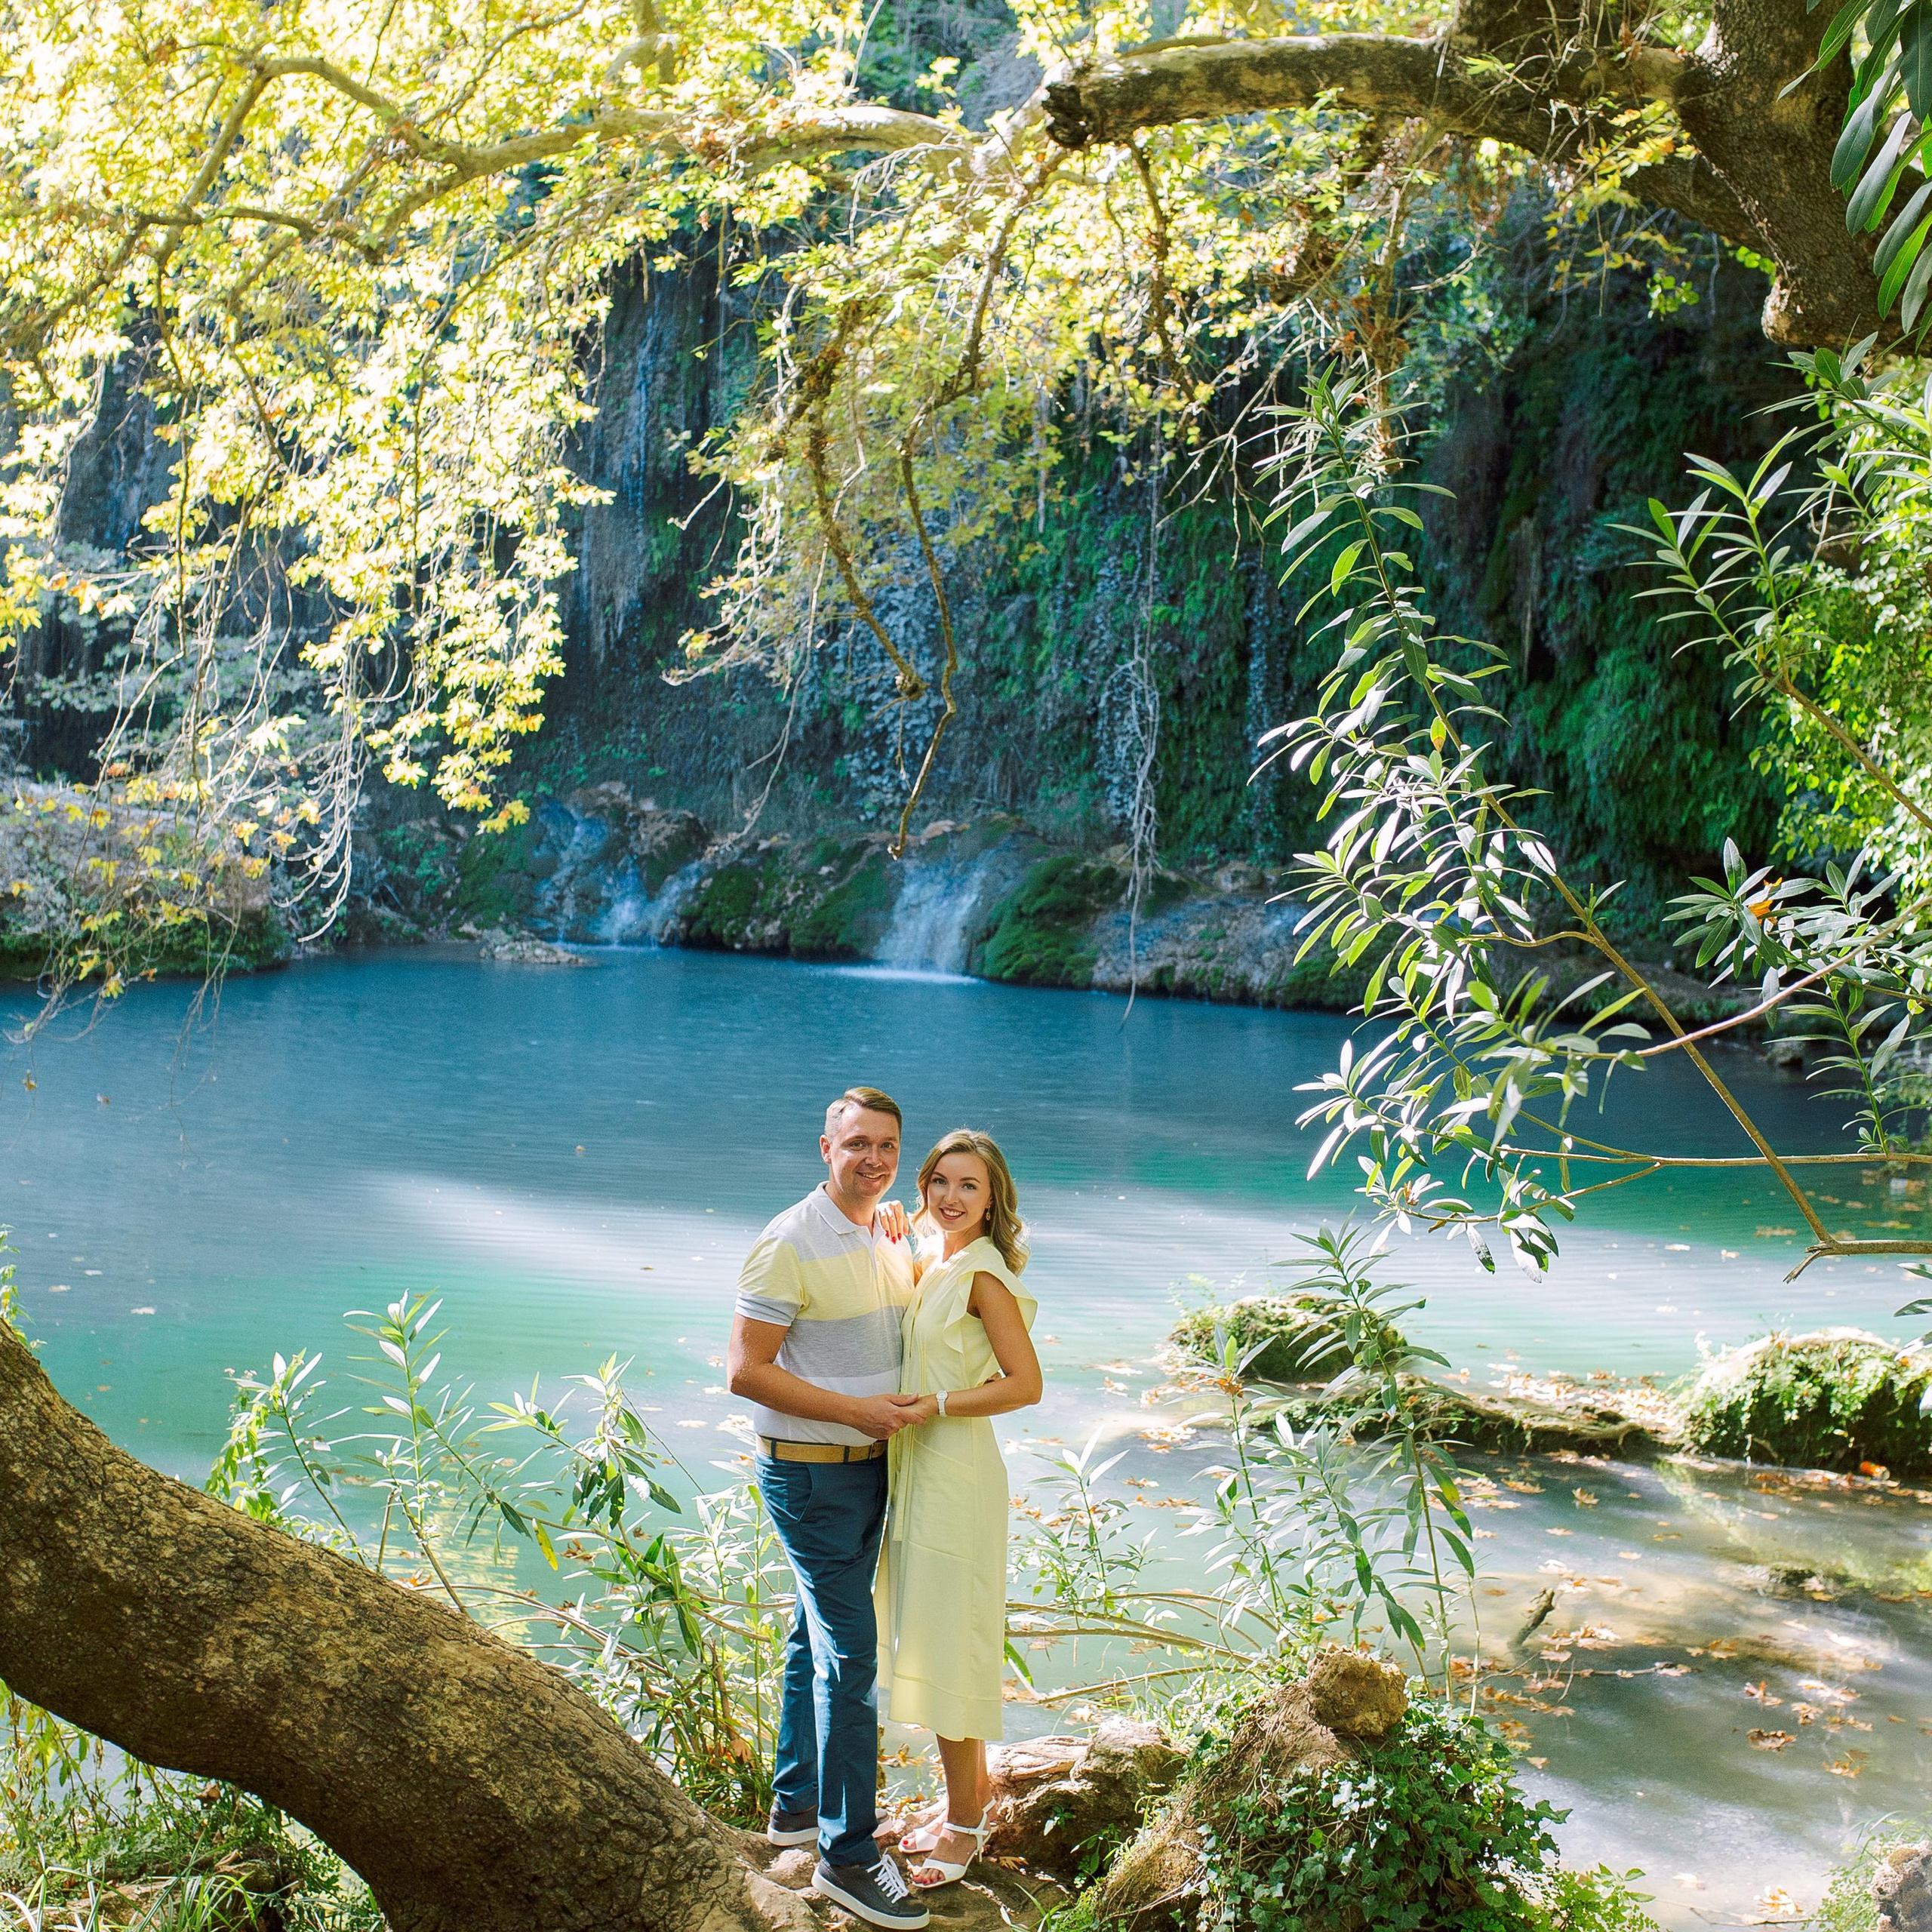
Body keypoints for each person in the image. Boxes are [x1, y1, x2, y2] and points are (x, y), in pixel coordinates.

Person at [725, 1087, 932, 1930]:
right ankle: (849, 1858)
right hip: (812, 1476)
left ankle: (796, 1812)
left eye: (886, 1146)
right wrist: (859, 1414)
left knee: (816, 1636)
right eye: (857, 1145)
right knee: (851, 1654)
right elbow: (743, 1371)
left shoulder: (885, 1231)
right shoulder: (787, 1241)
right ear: (825, 1149)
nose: (873, 1159)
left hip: (871, 1470)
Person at [875, 1128, 1042, 1891]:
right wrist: (884, 1236)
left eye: (967, 1186)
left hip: (958, 1473)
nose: (949, 1196)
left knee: (951, 1647)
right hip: (916, 1470)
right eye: (940, 1181)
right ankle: (959, 1801)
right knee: (931, 1641)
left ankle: (967, 1822)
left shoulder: (981, 1274)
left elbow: (1024, 1383)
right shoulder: (932, 1257)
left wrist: (938, 1402)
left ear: (991, 1198)